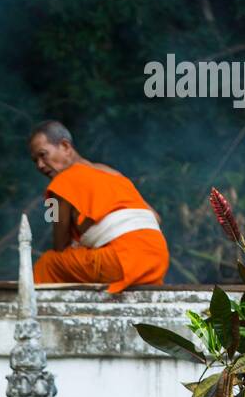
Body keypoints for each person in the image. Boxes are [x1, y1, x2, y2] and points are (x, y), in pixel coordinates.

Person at [30, 120, 169, 292]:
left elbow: (60, 246)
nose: (40, 165)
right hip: (157, 260)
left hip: (122, 260)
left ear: (66, 146)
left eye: (43, 155)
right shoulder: (110, 172)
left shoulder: (60, 184)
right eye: (35, 160)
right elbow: (155, 217)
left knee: (49, 262)